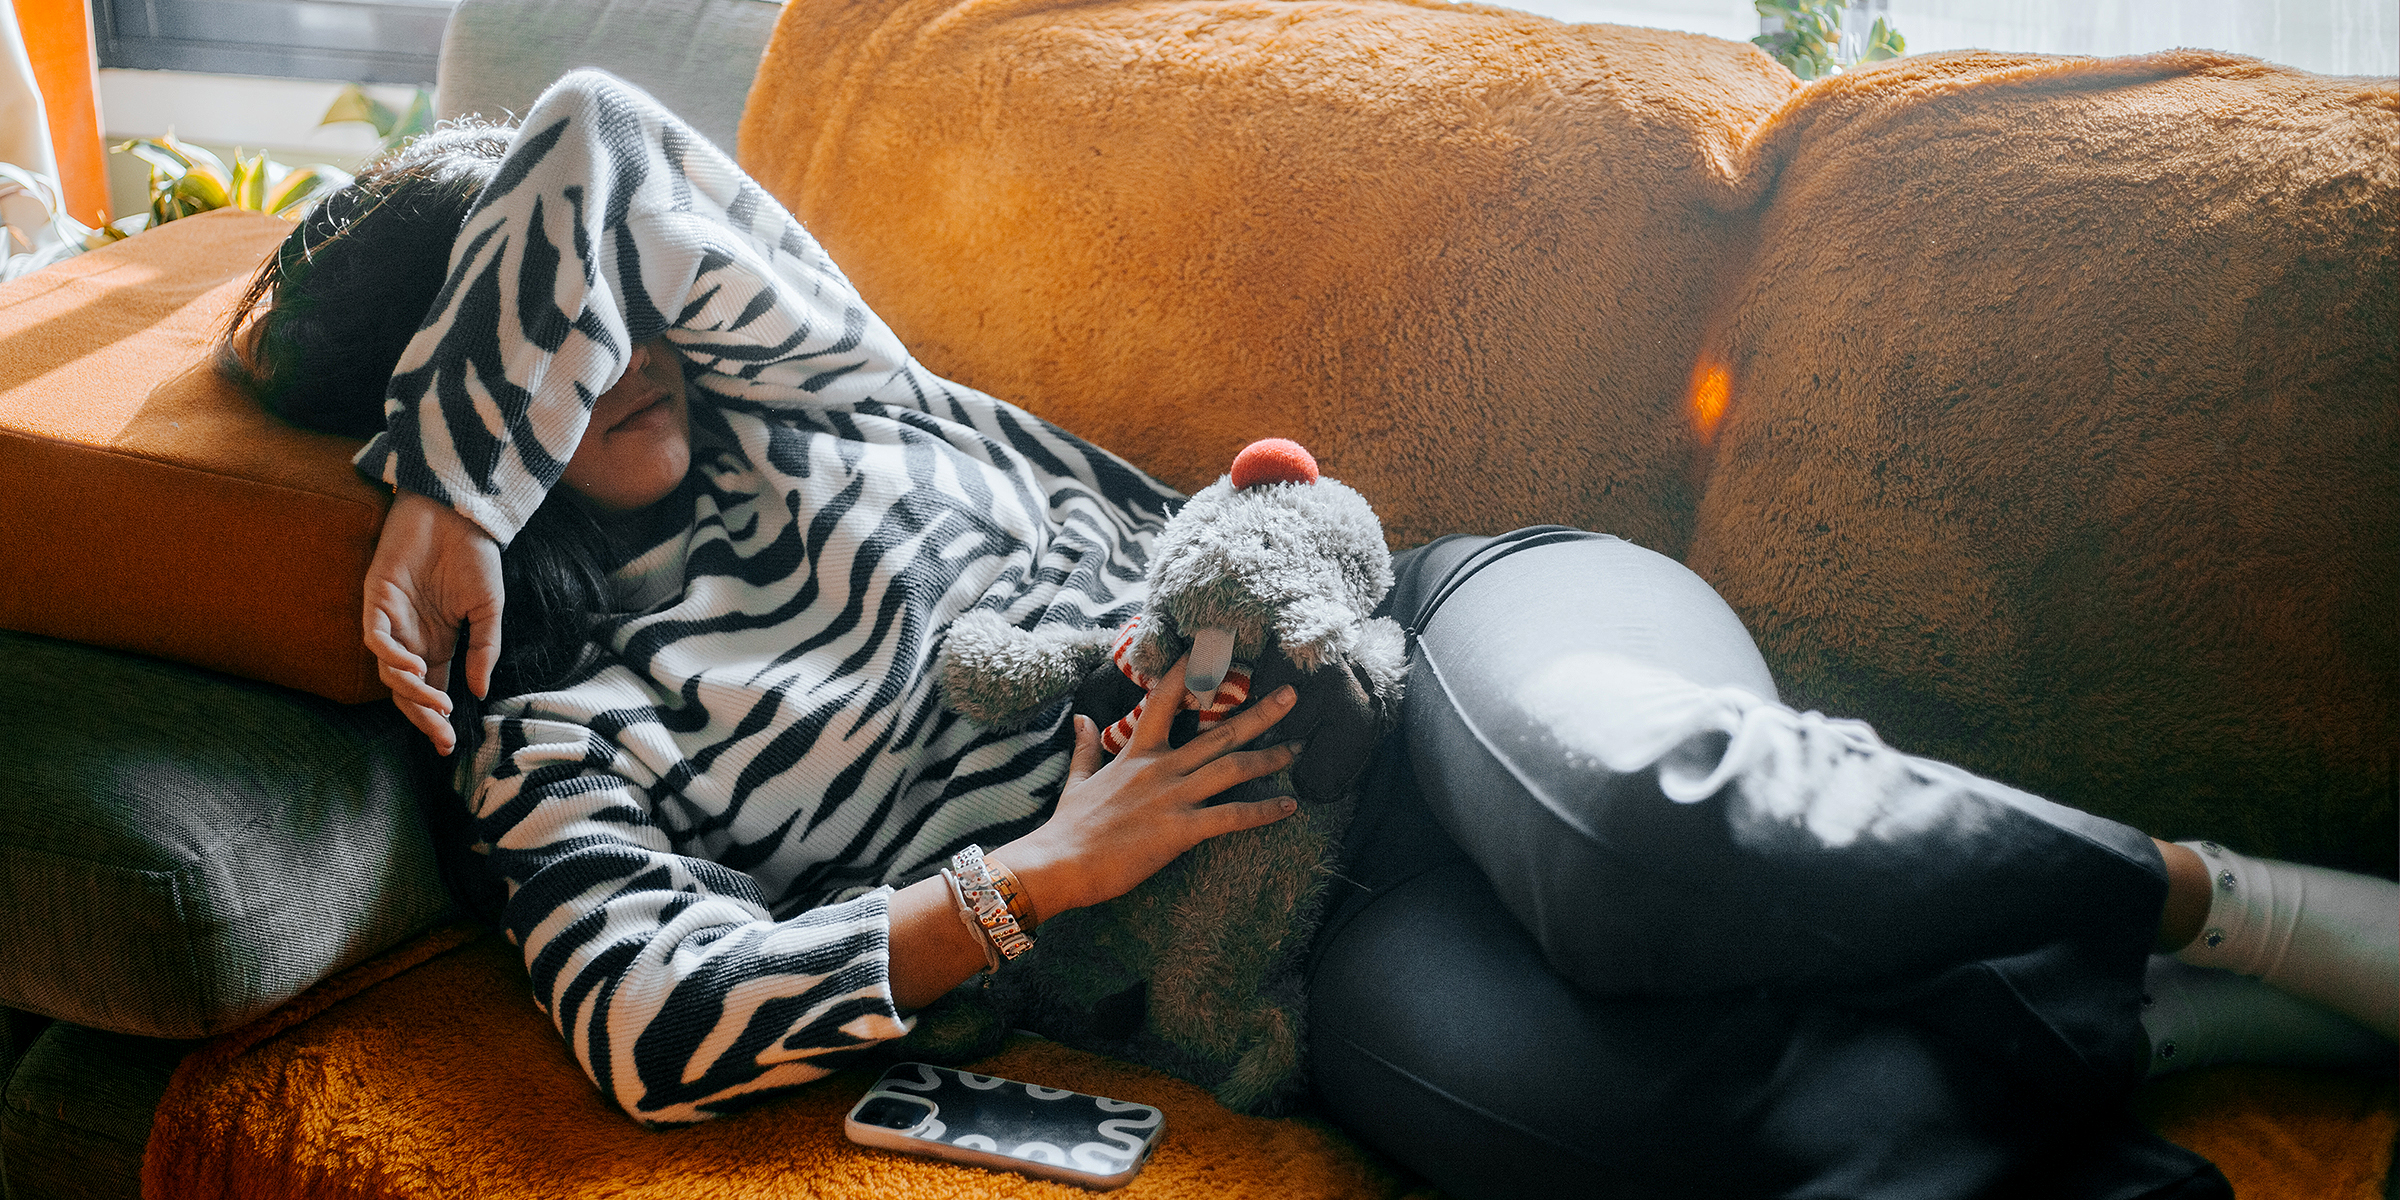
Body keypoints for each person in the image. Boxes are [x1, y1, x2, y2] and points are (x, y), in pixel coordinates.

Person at [224, 71, 2395, 1199]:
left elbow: (599, 139)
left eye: (560, 312)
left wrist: (453, 479)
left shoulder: (808, 391)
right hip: (1279, 929)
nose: (594, 351)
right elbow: (641, 1020)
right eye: (511, 342)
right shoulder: (553, 733)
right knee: (1648, 1156)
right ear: (405, 372)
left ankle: (2247, 903)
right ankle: (2136, 1020)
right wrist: (1034, 888)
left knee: (1641, 832)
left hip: (1435, 633)